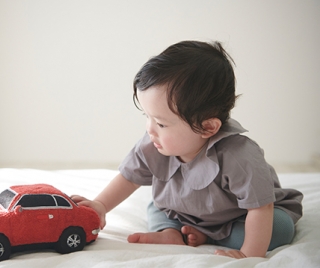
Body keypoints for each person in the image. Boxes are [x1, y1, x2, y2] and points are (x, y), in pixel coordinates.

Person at [71, 41, 303, 259]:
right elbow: (128, 179)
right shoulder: (152, 143)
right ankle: (171, 230)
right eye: (147, 117)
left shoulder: (238, 155)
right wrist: (100, 205)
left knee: (279, 230)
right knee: (156, 205)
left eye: (161, 123)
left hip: (240, 216)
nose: (150, 129)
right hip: (184, 209)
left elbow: (260, 207)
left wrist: (250, 254)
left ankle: (208, 234)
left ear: (207, 127)